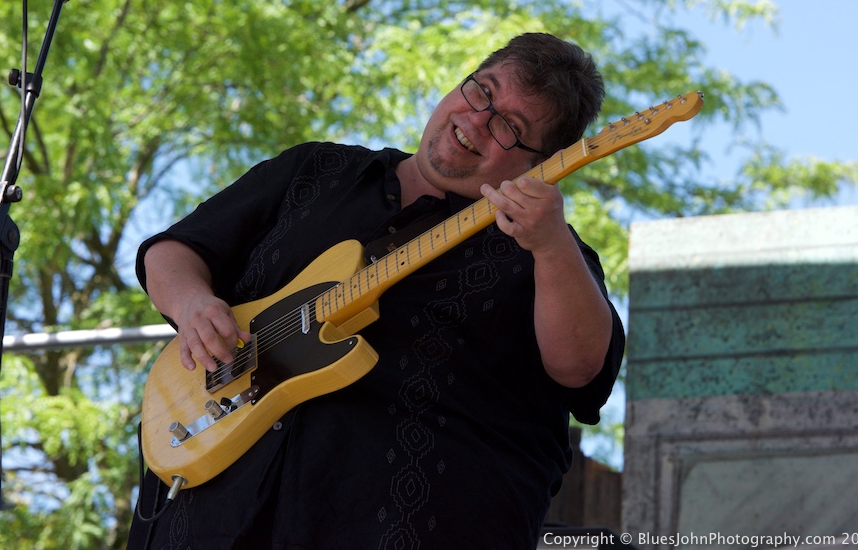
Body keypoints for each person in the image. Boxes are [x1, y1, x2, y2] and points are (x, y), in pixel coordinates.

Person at [127, 32, 625, 550]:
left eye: (508, 127)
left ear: (538, 165)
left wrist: (550, 245)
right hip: (206, 516)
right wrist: (192, 303)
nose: (477, 119)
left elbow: (582, 370)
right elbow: (175, 250)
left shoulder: (549, 253)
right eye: (482, 91)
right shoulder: (316, 169)